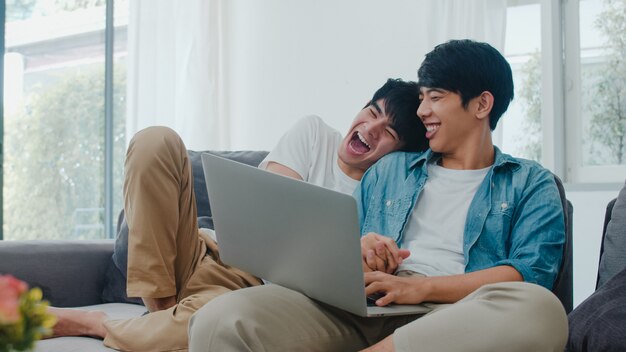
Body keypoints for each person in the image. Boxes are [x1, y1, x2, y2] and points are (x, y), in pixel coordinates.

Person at [188, 39, 569, 352]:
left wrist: (421, 287)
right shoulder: (390, 170)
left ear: (482, 104)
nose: (422, 110)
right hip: (371, 307)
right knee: (219, 319)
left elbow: (529, 274)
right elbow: (343, 259)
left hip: (457, 316)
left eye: (435, 97)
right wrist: (361, 249)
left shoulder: (530, 182)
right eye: (421, 98)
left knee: (541, 311)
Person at [47, 78, 428, 351]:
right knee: (154, 141)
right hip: (205, 251)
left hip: (250, 295)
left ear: (398, 153)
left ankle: (99, 324)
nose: (371, 128)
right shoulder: (315, 134)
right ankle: (161, 312)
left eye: (389, 132)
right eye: (372, 112)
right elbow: (267, 203)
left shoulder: (389, 192)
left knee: (219, 327)